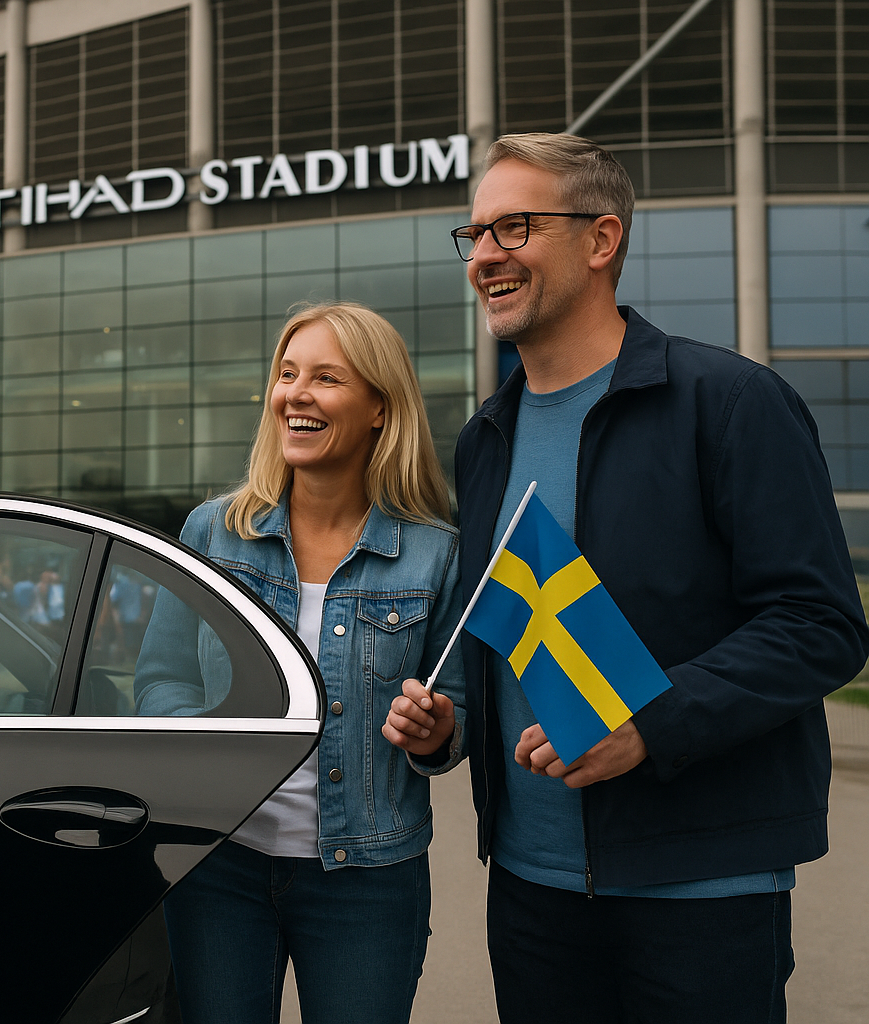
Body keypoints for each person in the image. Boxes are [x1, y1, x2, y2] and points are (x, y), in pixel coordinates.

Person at [451, 132, 868, 1024]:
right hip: (529, 891)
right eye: (477, 233)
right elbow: (491, 623)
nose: (486, 255)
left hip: (704, 897)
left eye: (515, 227)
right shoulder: (483, 438)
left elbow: (820, 622)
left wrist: (650, 725)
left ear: (602, 241)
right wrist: (445, 714)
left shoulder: (731, 402)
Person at [137, 302, 467, 1023]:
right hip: (220, 862)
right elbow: (160, 679)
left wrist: (436, 730)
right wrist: (207, 737)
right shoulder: (212, 532)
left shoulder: (435, 553)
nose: (297, 393)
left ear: (380, 409)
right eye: (287, 374)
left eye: (326, 377)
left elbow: (457, 713)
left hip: (370, 877)